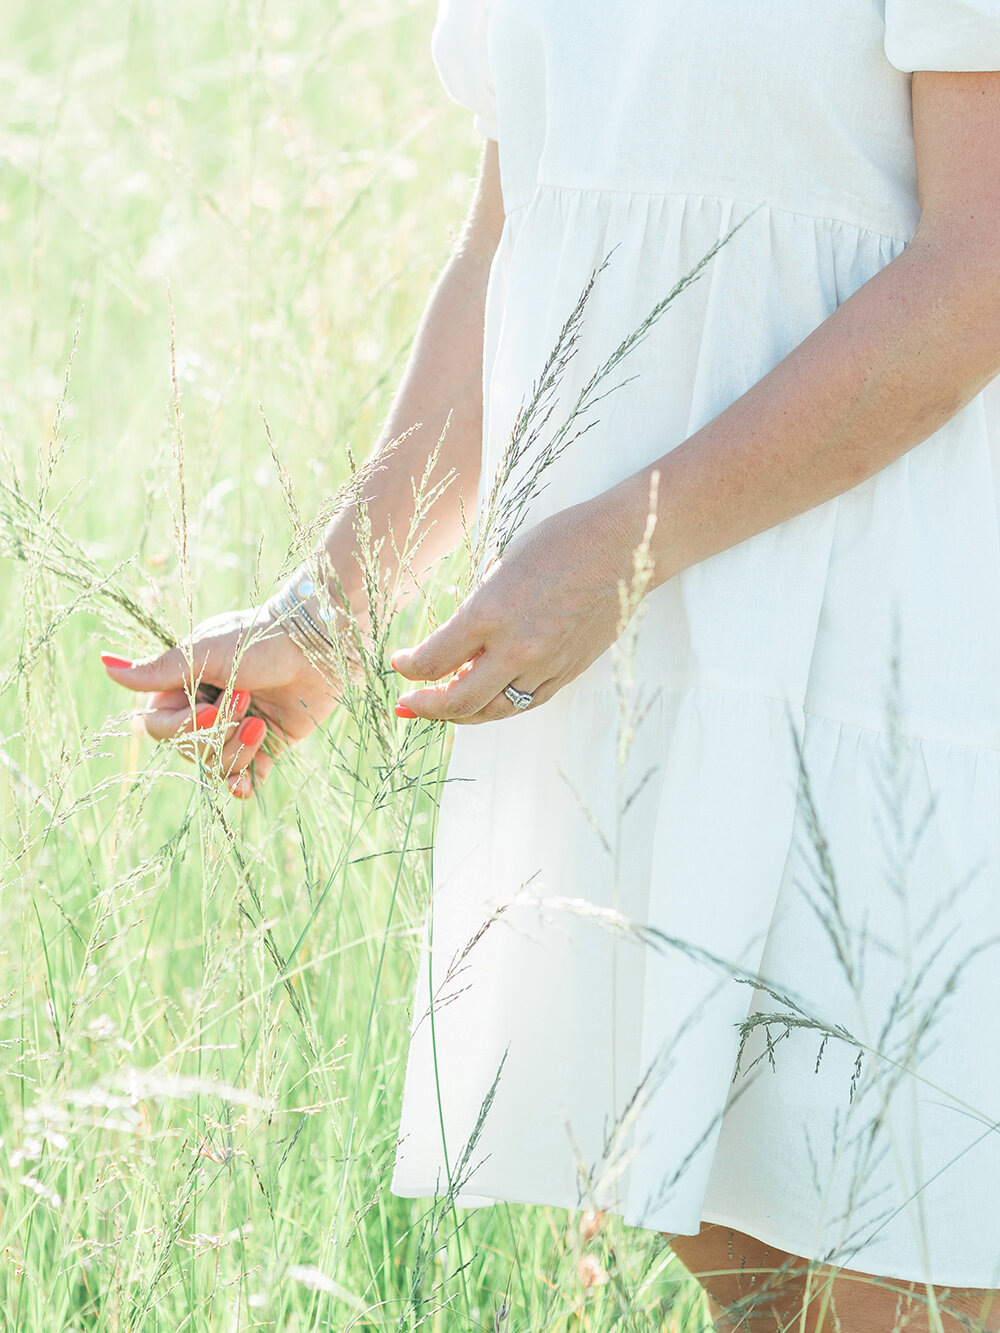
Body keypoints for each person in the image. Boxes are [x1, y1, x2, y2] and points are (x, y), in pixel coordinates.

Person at [101, 1, 1000, 1328]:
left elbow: (976, 271)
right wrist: (331, 602)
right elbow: (512, 243)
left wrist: (627, 542)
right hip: (632, 670)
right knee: (770, 1303)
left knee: (903, 1290)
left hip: (887, 660)